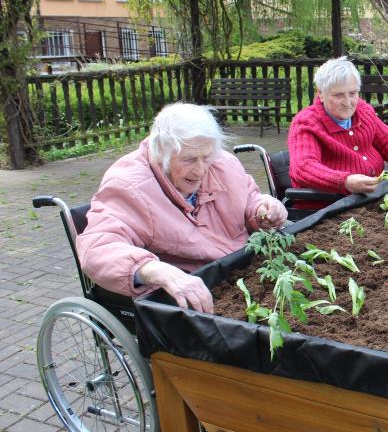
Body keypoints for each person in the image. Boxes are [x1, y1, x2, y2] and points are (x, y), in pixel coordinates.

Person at [76, 102, 288, 313]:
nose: (200, 170)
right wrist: (154, 270)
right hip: (190, 290)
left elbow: (248, 196)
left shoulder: (223, 163)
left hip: (240, 269)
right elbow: (98, 247)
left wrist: (263, 209)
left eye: (206, 157)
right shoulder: (129, 186)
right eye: (189, 160)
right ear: (160, 152)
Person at [288, 57, 388, 205]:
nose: (348, 102)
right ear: (320, 93)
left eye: (352, 93)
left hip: (370, 199)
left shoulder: (363, 110)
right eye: (338, 95)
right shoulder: (306, 123)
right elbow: (303, 168)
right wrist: (345, 181)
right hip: (327, 207)